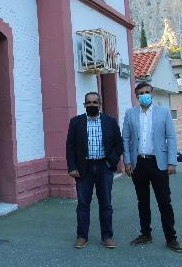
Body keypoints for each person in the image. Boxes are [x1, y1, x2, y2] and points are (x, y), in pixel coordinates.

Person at [122, 82, 182, 253]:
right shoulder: (130, 113)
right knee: (142, 201)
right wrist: (127, 162)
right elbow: (125, 139)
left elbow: (171, 138)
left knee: (164, 201)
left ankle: (171, 238)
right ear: (136, 96)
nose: (144, 95)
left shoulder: (163, 113)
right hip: (138, 163)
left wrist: (172, 162)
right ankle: (145, 234)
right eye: (141, 93)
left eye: (147, 92)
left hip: (159, 163)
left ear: (152, 93)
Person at [66, 92, 123, 249]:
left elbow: (118, 144)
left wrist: (110, 162)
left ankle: (107, 236)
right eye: (88, 102)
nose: (92, 105)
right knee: (83, 204)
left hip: (103, 167)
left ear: (100, 104)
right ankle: (82, 236)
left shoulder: (110, 122)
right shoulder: (76, 122)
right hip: (83, 169)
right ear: (84, 105)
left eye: (95, 102)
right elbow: (70, 146)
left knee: (106, 204)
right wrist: (72, 167)